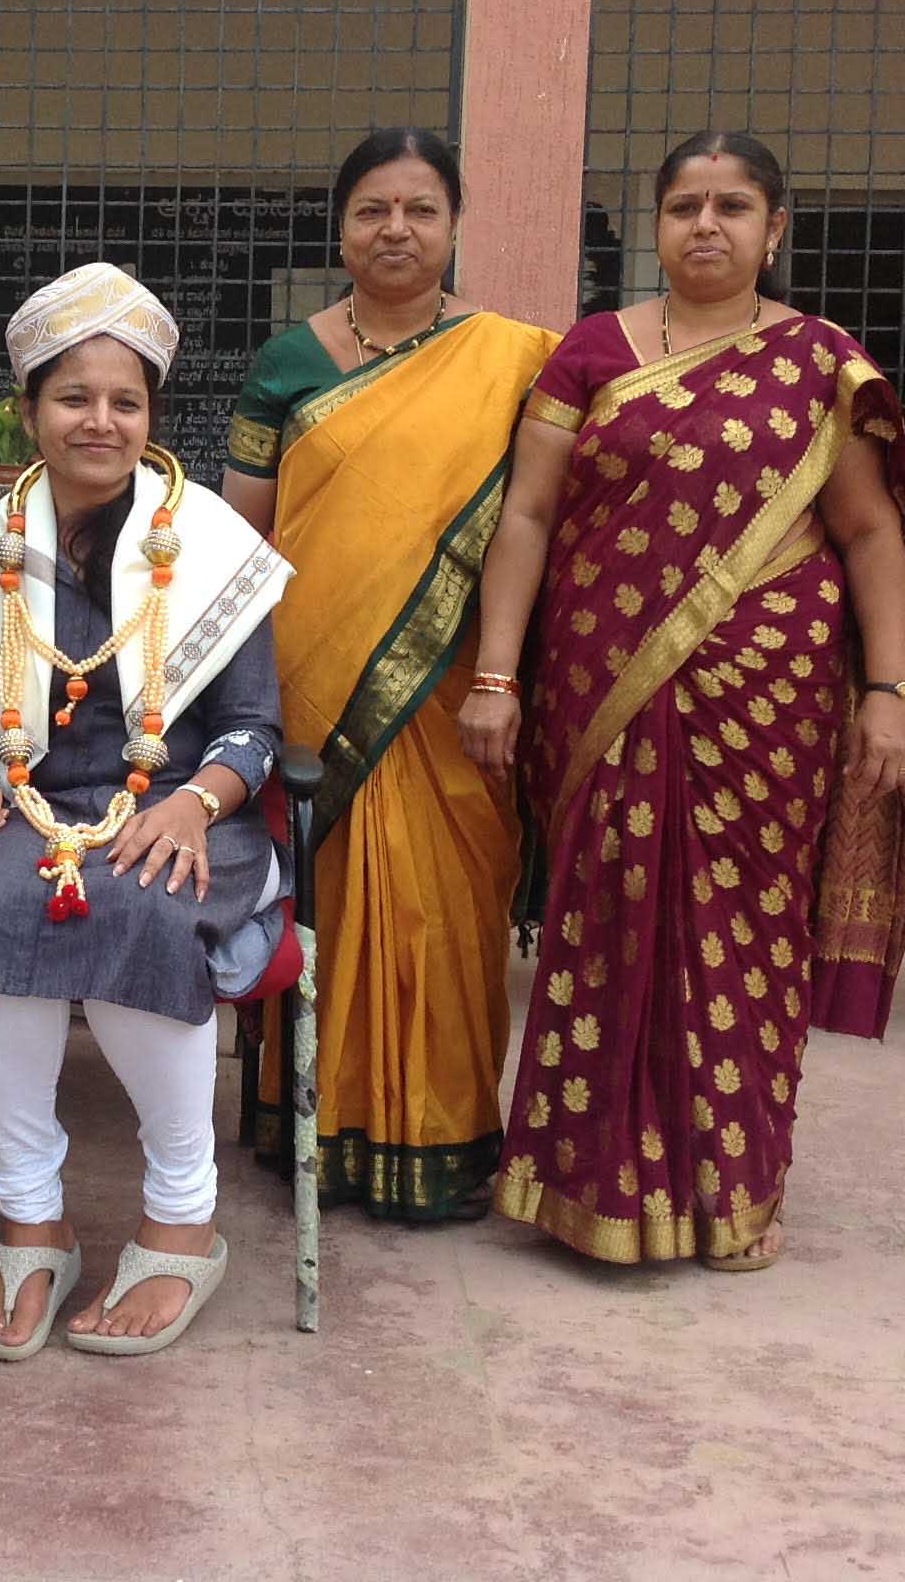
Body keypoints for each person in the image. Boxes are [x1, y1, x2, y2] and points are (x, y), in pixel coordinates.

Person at [461, 130, 905, 1271]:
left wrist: (884, 692)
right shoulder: (590, 351)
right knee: (604, 918)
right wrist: (495, 675)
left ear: (775, 230)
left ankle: (735, 1192)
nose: (706, 226)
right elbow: (528, 516)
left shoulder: (821, 363)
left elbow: (870, 532)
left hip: (768, 700)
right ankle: (582, 1183)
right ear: (658, 224)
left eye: (732, 207)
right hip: (602, 688)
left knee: (744, 935)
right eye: (683, 206)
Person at [0, 264, 293, 1359]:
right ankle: (32, 1222)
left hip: (185, 811)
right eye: (74, 397)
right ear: (30, 410)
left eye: (126, 401)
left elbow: (255, 727)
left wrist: (195, 803)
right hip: (27, 811)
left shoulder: (210, 542)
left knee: (142, 903)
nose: (101, 421)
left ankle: (182, 1220)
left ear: (151, 417)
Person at [222, 130, 557, 1221]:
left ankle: (442, 1136)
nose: (396, 231)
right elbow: (242, 538)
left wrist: (501, 677)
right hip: (314, 685)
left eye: (420, 209)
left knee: (446, 916)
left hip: (455, 689)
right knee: (324, 908)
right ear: (341, 229)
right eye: (372, 210)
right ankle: (309, 1124)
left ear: (454, 225)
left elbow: (530, 526)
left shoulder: (517, 361)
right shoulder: (286, 363)